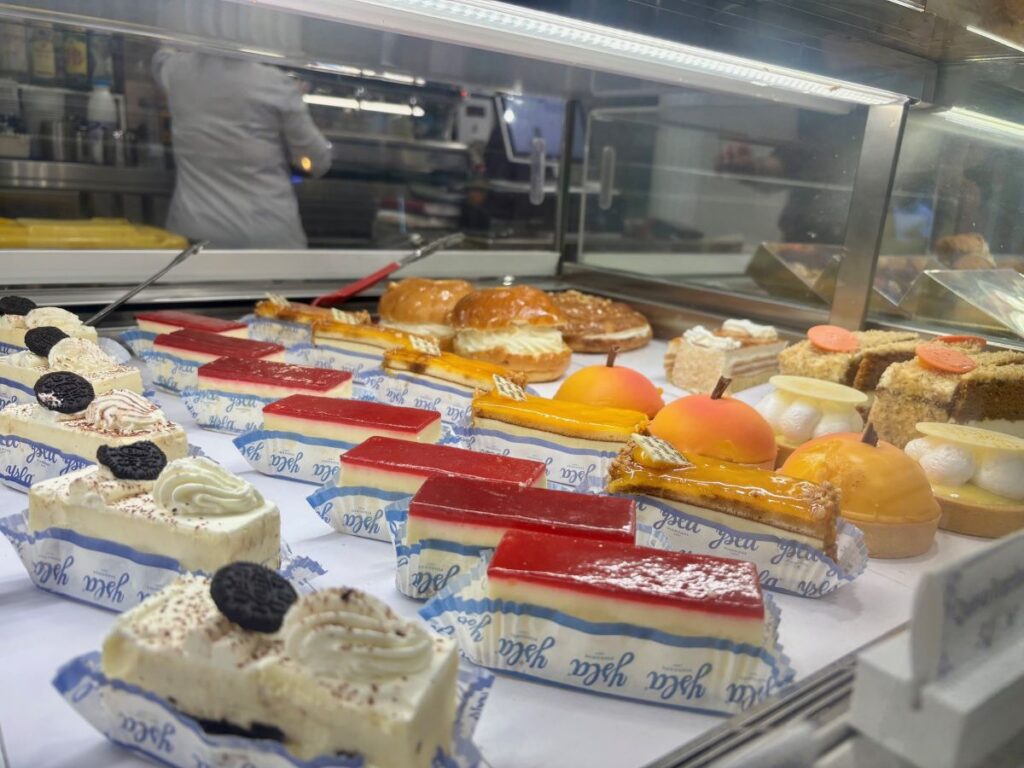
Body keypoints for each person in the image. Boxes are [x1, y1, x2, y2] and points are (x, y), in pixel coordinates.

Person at [153, 50, 332, 248]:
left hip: (195, 232)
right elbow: (318, 162)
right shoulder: (275, 84)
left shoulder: (177, 71)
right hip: (267, 232)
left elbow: (159, 58)